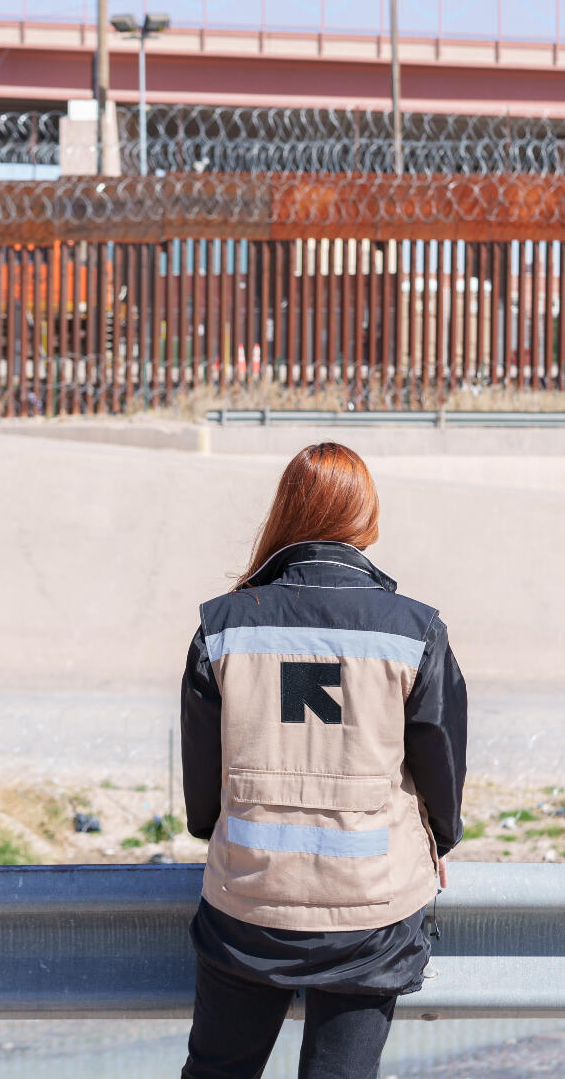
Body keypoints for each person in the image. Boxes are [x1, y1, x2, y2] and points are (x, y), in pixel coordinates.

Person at [179, 442, 469, 1079]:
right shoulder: (412, 630)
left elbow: (202, 793)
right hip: (371, 912)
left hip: (249, 905)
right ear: (365, 519)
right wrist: (439, 841)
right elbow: (441, 762)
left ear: (286, 510)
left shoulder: (223, 627)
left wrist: (220, 834)